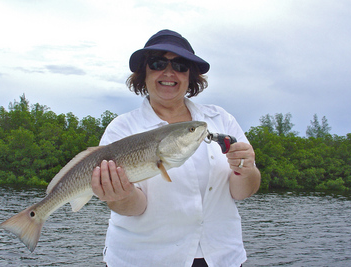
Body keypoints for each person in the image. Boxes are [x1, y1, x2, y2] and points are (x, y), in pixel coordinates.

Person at [91, 29, 261, 267]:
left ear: (190, 76)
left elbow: (242, 191)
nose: (169, 72)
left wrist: (246, 168)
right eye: (158, 63)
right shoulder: (122, 129)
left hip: (221, 257)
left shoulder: (220, 119)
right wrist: (121, 195)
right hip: (144, 259)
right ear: (144, 73)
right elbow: (134, 207)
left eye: (180, 65)